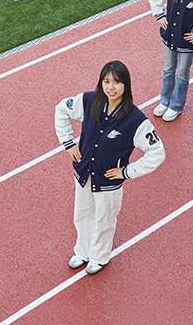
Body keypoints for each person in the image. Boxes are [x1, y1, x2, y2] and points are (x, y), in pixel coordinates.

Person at [55, 60, 165, 275]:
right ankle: (83, 251)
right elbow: (61, 110)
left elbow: (157, 152)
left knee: (104, 219)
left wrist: (126, 172)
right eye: (106, 82)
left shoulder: (135, 120)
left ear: (126, 85)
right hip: (84, 173)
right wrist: (68, 143)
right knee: (82, 214)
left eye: (116, 82)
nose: (111, 87)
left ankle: (99, 256)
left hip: (109, 181)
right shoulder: (89, 101)